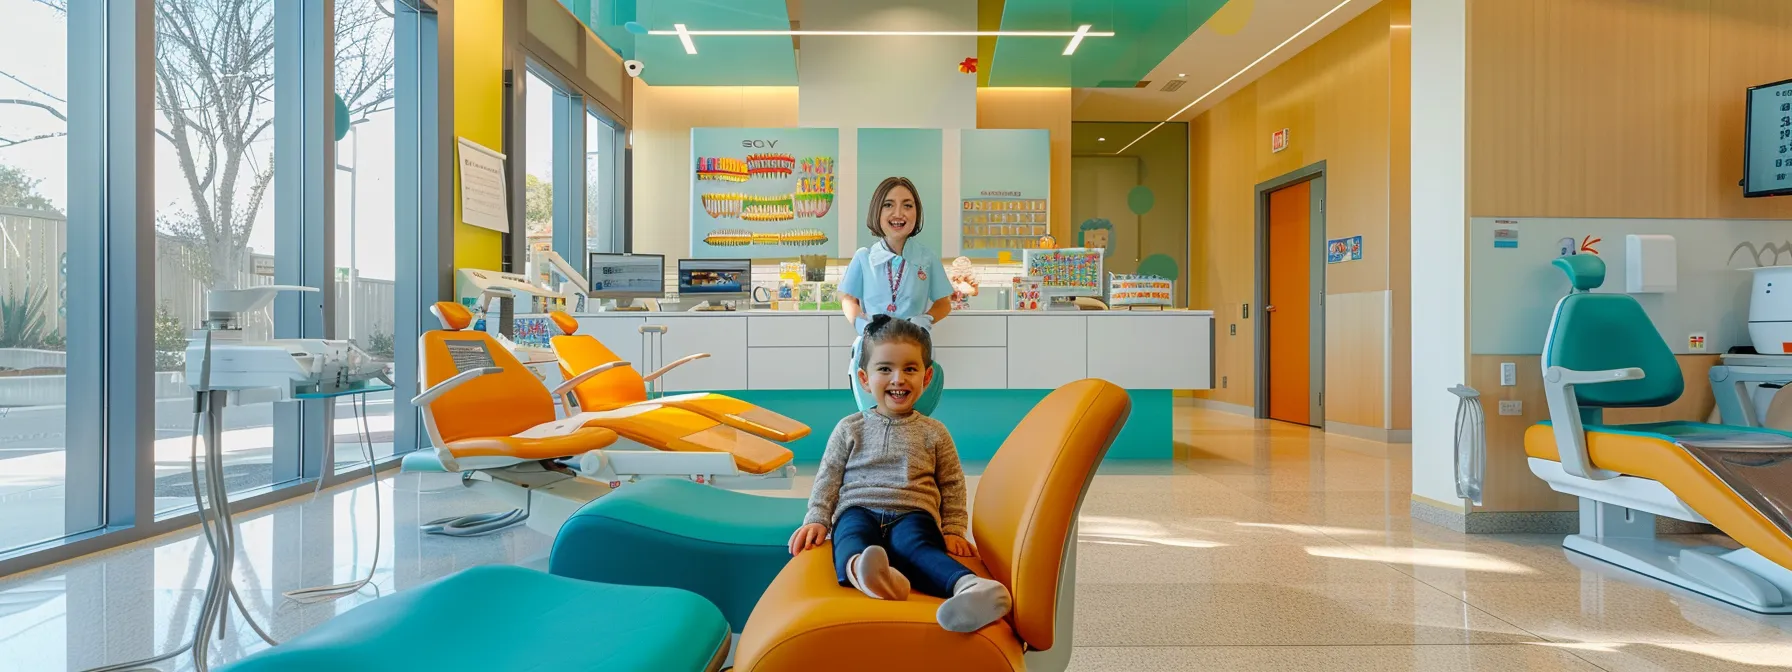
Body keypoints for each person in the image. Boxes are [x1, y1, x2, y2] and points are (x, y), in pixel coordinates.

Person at [787, 316, 1012, 633]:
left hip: (912, 512)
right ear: (864, 379)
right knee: (850, 539)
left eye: (910, 369)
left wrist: (953, 529)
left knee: (917, 548)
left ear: (926, 376)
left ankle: (972, 589)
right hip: (858, 508)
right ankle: (869, 575)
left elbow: (952, 485)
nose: (898, 379)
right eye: (885, 369)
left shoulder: (934, 433)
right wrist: (817, 518)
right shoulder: (850, 428)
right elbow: (828, 478)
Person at [840, 176, 952, 414]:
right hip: (874, 347)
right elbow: (848, 298)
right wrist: (860, 323)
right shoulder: (863, 257)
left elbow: (944, 303)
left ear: (917, 213)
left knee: (914, 417)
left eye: (907, 205)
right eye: (888, 204)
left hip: (914, 347)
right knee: (874, 415)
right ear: (876, 212)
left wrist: (926, 319)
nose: (898, 212)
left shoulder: (927, 258)